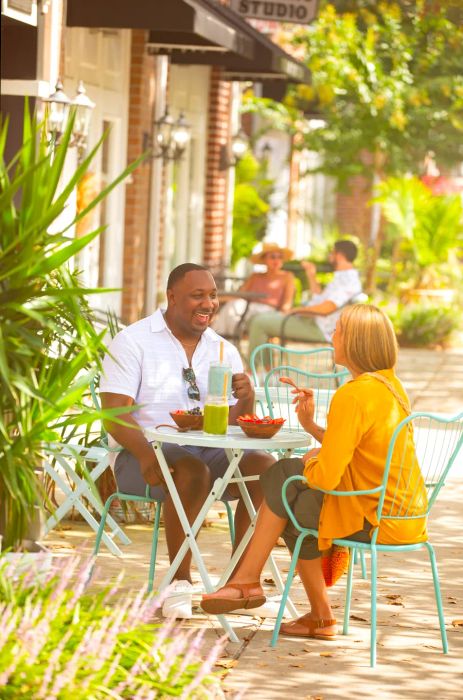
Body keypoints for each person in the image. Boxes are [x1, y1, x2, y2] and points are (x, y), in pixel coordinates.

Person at [201, 305, 427, 641]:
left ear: (355, 342)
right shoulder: (389, 386)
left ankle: (251, 583)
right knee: (294, 496)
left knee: (286, 479)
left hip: (373, 516)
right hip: (404, 514)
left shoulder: (352, 394)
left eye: (337, 330)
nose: (331, 336)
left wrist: (312, 460)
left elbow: (325, 478)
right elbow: (359, 448)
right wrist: (312, 428)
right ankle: (310, 613)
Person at [100, 263, 275, 618]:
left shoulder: (222, 349)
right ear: (172, 297)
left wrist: (246, 400)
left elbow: (230, 425)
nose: (208, 303)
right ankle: (179, 582)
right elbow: (114, 412)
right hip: (140, 458)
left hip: (205, 452)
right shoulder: (133, 341)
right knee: (191, 470)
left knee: (265, 469)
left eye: (212, 295)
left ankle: (239, 580)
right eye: (198, 295)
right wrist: (145, 452)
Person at [247, 239, 362, 357]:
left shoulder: (348, 281)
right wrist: (311, 275)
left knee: (259, 322)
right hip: (311, 322)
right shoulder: (342, 277)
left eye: (332, 252)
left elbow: (326, 309)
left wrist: (296, 310)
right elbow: (320, 298)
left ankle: (254, 370)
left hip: (317, 328)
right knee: (263, 318)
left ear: (339, 255)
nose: (330, 255)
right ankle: (265, 369)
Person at [212, 242, 295, 338]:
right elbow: (240, 294)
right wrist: (217, 299)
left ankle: (225, 343)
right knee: (231, 308)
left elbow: (287, 303)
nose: (276, 260)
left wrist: (283, 315)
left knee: (233, 310)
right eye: (272, 257)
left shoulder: (287, 277)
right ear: (264, 259)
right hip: (248, 308)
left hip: (270, 311)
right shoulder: (255, 276)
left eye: (279, 257)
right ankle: (219, 342)